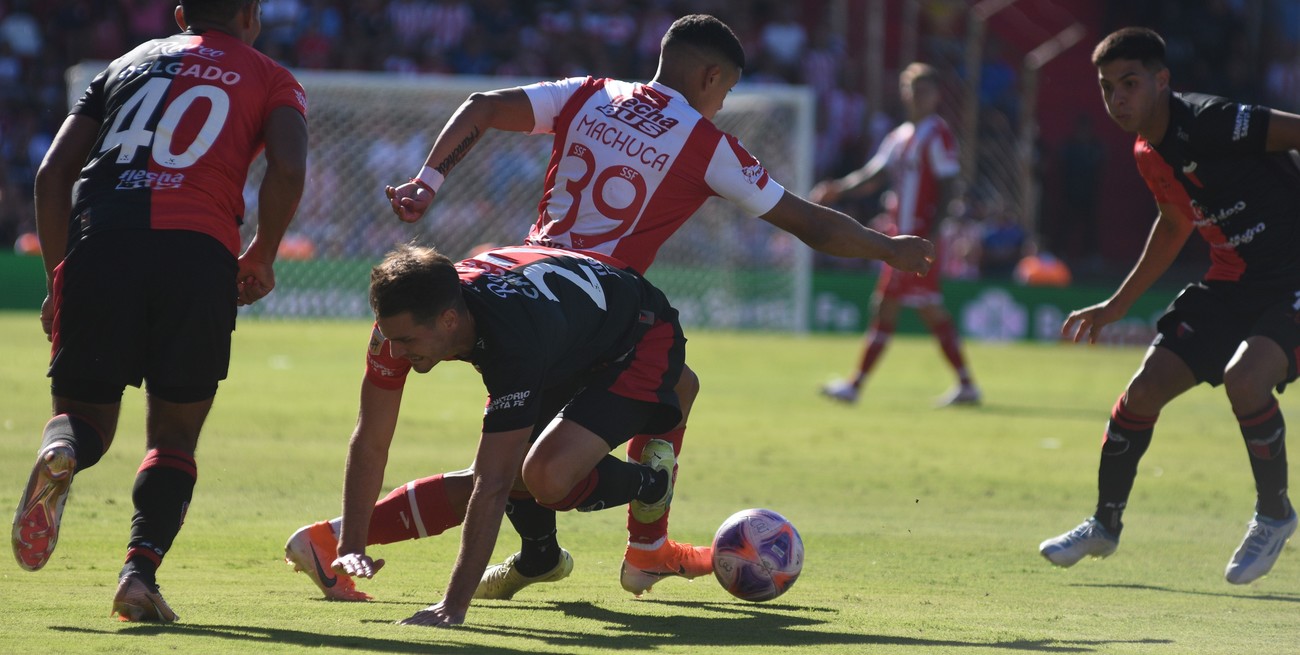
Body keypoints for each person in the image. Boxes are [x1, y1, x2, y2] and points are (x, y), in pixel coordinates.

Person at [284, 14, 934, 604]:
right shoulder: (705, 143)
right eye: (726, 89)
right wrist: (887, 248)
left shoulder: (590, 92)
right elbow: (809, 222)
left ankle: (602, 549)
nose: (723, 100)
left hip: (524, 279)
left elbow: (482, 106)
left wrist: (430, 178)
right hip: (590, 313)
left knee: (666, 391)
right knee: (519, 471)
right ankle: (341, 535)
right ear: (711, 76)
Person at [12, 0, 307, 621]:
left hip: (102, 242)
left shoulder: (124, 64)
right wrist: (262, 253)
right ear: (251, 14)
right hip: (197, 255)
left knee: (84, 417)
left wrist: (58, 278)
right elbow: (288, 165)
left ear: (180, 15)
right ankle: (137, 575)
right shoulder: (270, 75)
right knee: (174, 434)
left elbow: (51, 174)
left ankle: (64, 451)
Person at [1039, 27, 1300, 585]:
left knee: (1246, 379)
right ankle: (1104, 525)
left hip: (1294, 277)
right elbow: (1176, 222)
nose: (1118, 99)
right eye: (1108, 88)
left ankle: (1274, 514)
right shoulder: (1146, 152)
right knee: (1142, 392)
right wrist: (1115, 305)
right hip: (1234, 281)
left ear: (1162, 80)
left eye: (1130, 84)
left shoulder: (1212, 121)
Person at [339, 243, 690, 628]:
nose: (393, 350)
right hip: (566, 332)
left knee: (545, 475)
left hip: (639, 338)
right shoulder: (404, 321)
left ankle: (651, 484)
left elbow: (492, 483)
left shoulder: (511, 340)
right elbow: (370, 439)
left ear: (449, 320)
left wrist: (452, 607)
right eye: (388, 336)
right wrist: (352, 545)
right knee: (514, 457)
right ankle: (540, 558)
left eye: (406, 341)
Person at [812, 62, 980, 407]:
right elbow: (873, 174)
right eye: (912, 89)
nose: (918, 97)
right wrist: (839, 189)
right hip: (897, 237)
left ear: (936, 96)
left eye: (925, 90)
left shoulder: (937, 134)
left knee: (909, 307)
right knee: (902, 306)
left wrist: (933, 234)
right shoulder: (900, 135)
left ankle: (857, 386)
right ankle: (963, 384)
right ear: (904, 93)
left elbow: (949, 185)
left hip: (918, 238)